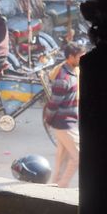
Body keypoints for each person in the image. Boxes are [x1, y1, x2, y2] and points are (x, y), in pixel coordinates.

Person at [44, 42, 85, 188]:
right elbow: (54, 103)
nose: (83, 59)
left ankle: (56, 184)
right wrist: (48, 119)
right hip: (65, 124)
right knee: (78, 156)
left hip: (66, 123)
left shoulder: (73, 71)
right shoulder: (63, 78)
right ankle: (62, 185)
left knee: (63, 157)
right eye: (80, 56)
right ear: (70, 57)